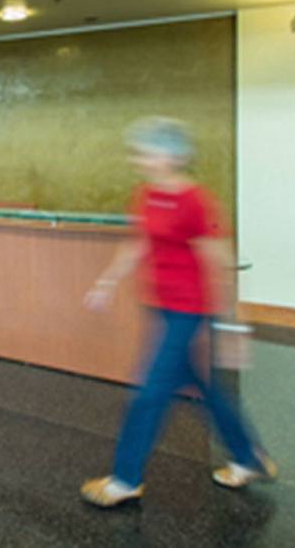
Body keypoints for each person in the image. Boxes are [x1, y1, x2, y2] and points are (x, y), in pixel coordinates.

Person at [80, 117, 276, 508]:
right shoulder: (146, 194)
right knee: (205, 387)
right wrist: (107, 281)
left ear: (171, 156)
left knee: (149, 393)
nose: (138, 159)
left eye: (145, 152)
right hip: (163, 307)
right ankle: (248, 458)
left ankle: (125, 479)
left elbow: (219, 262)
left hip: (189, 312)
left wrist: (232, 327)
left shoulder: (196, 202)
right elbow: (138, 244)